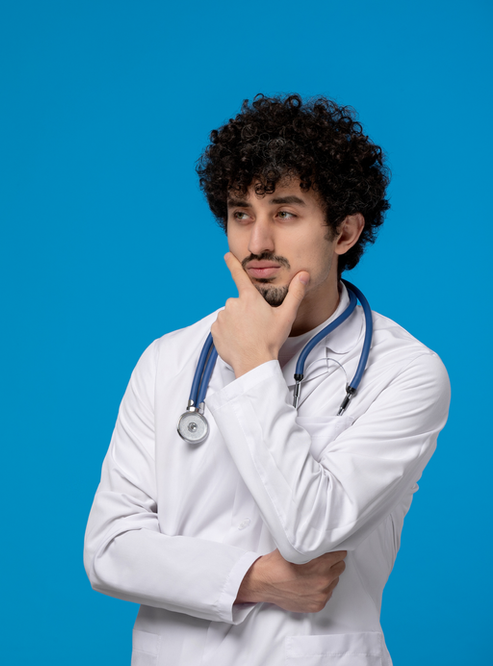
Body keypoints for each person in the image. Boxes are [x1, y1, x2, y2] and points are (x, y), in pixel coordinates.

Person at [83, 94, 450, 665]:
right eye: (240, 213)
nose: (256, 243)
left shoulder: (405, 374)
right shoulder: (169, 359)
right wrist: (253, 579)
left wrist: (255, 364)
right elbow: (108, 549)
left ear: (345, 232)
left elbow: (311, 530)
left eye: (284, 212)